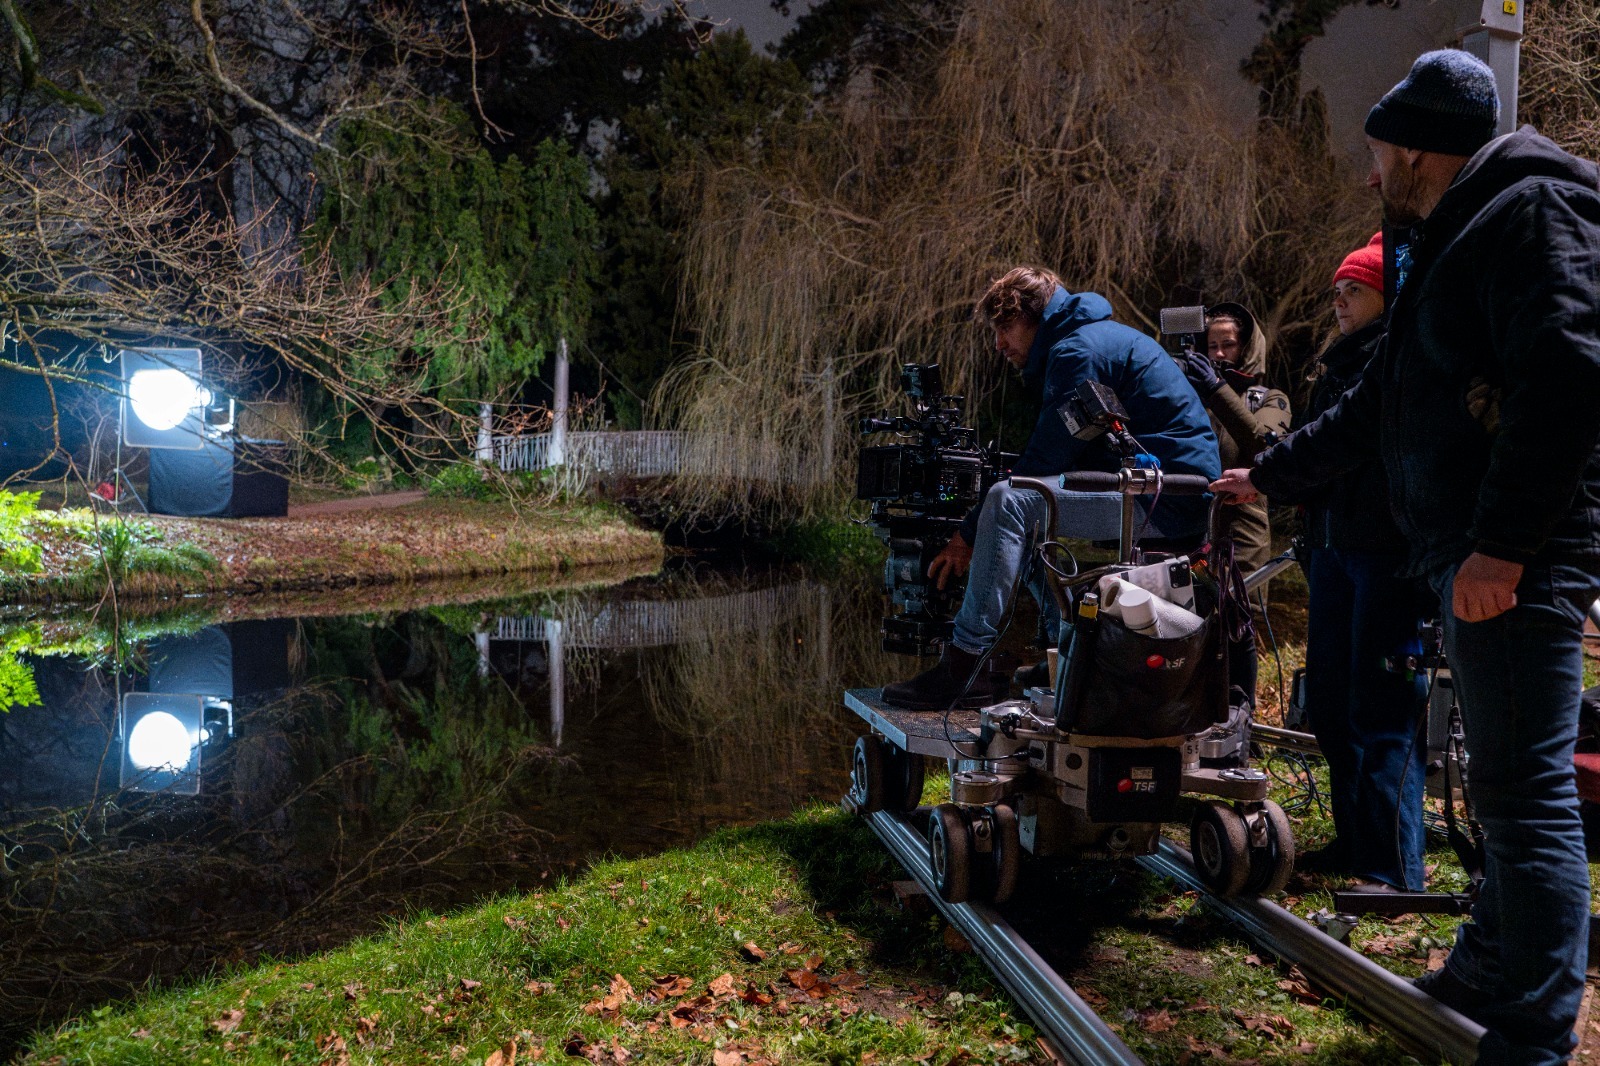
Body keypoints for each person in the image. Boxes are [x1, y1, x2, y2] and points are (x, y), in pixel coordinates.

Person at [1211, 50, 1600, 1064]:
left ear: (1420, 149)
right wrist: (1269, 474)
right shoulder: (1449, 238)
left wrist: (1502, 550)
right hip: (1465, 551)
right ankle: (1487, 965)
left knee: (1526, 797)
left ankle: (1534, 1031)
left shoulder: (1531, 212)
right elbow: (1380, 397)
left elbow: (1568, 377)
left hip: (1514, 558)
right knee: (1502, 784)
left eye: (1379, 151)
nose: (1371, 171)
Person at [883, 266, 1220, 711]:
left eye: (1005, 329)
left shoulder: (1076, 350)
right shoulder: (1090, 338)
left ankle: (964, 667)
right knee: (1019, 510)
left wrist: (966, 534)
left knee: (1008, 502)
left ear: (1033, 317)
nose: (999, 344)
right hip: (1161, 491)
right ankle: (1062, 651)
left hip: (1165, 499)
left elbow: (1045, 461)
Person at [1286, 233, 1434, 892]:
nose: (1341, 302)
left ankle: (1393, 869)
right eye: (1338, 291)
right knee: (1331, 704)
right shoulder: (1337, 365)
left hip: (1385, 554)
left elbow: (1344, 445)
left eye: (1356, 290)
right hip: (1332, 548)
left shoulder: (1398, 358)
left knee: (1383, 709)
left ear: (1386, 294)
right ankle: (1355, 843)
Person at [1177, 302, 1291, 708]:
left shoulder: (1269, 397)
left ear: (1247, 348)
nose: (1220, 353)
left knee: (1237, 626)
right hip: (1189, 529)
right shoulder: (1190, 397)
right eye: (1212, 345)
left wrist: (1216, 389)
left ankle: (1241, 717)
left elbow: (1265, 445)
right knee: (1183, 623)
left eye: (1229, 344)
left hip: (1242, 534)